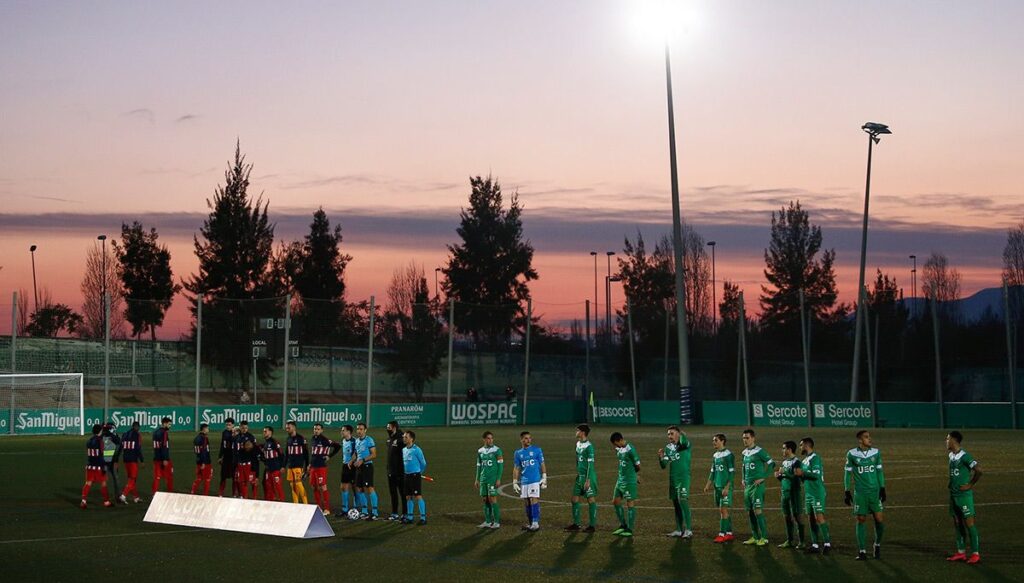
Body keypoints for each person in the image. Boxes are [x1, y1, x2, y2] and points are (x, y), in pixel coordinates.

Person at [845, 430, 886, 560]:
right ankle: (862, 551)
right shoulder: (852, 454)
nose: (870, 439)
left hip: (874, 492)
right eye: (866, 437)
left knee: (879, 519)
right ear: (860, 440)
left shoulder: (876, 453)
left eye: (869, 437)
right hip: (860, 493)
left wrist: (882, 488)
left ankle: (877, 544)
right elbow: (847, 473)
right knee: (861, 519)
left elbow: (879, 471)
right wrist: (847, 491)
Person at [946, 431, 981, 564]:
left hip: (964, 496)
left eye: (947, 439)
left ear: (954, 440)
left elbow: (979, 470)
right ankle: (961, 553)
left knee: (969, 524)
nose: (946, 441)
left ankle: (975, 554)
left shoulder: (965, 456)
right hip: (953, 495)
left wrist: (970, 484)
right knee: (957, 522)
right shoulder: (951, 455)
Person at [796, 436, 831, 554]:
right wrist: (799, 475)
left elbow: (816, 475)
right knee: (811, 518)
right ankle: (815, 545)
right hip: (808, 493)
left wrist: (803, 472)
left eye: (801, 445)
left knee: (819, 517)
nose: (800, 447)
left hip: (817, 492)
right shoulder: (803, 461)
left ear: (807, 445)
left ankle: (827, 544)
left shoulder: (815, 458)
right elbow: (804, 478)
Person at [740, 428, 774, 546]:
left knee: (757, 510)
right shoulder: (744, 453)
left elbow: (771, 463)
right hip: (747, 486)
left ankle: (764, 537)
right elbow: (743, 467)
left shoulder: (760, 451)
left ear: (753, 438)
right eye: (743, 438)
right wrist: (743, 478)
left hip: (757, 486)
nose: (745, 440)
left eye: (747, 438)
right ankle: (755, 536)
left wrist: (763, 477)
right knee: (750, 511)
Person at [659, 425, 692, 538]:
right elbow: (664, 465)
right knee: (676, 505)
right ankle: (678, 530)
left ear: (678, 434)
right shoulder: (668, 448)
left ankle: (688, 530)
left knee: (683, 501)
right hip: (673, 479)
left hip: (683, 478)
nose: (669, 436)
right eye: (668, 434)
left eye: (672, 433)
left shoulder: (685, 444)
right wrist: (661, 457)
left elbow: (683, 441)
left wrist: (681, 434)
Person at [565, 424, 597, 532]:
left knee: (590, 499)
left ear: (583, 432)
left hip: (588, 477)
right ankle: (576, 524)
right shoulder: (578, 444)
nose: (576, 432)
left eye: (578, 430)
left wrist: (588, 480)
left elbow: (590, 465)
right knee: (574, 499)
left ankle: (592, 526)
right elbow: (577, 459)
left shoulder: (589, 447)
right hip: (579, 477)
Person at [512, 430, 546, 532]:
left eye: (529, 438)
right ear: (521, 440)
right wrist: (515, 481)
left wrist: (544, 476)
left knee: (533, 499)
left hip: (535, 479)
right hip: (524, 481)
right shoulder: (518, 453)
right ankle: (531, 523)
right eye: (526, 438)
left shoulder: (537, 450)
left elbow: (542, 464)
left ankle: (536, 523)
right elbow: (516, 468)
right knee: (527, 502)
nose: (528, 440)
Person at [704, 433, 735, 543]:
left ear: (722, 441)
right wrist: (708, 484)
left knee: (723, 510)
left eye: (716, 440)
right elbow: (713, 471)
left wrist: (727, 487)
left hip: (725, 487)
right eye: (713, 440)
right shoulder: (715, 455)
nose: (714, 442)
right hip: (717, 487)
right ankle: (729, 533)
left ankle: (722, 534)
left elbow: (732, 473)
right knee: (722, 511)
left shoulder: (729, 455)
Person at [775, 441, 805, 549]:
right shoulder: (784, 462)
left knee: (797, 517)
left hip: (794, 493)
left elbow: (797, 478)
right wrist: (779, 476)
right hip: (785, 493)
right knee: (787, 516)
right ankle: (789, 540)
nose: (782, 450)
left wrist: (785, 473)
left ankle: (802, 542)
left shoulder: (796, 462)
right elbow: (785, 479)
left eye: (784, 448)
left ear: (789, 449)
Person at [610, 431, 640, 537]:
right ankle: (623, 525)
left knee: (630, 503)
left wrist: (635, 475)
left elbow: (638, 465)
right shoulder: (620, 449)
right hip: (620, 480)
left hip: (629, 481)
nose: (615, 446)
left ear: (620, 440)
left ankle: (630, 529)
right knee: (615, 501)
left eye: (615, 444)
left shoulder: (630, 449)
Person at [309, 422, 341, 514]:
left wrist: (329, 456)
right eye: (315, 429)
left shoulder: (325, 440)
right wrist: (310, 464)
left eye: (318, 429)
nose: (316, 431)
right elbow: (313, 453)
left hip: (321, 467)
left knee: (323, 486)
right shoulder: (313, 438)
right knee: (314, 487)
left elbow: (338, 446)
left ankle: (327, 509)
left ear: (322, 430)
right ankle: (318, 507)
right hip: (313, 467)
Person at [475, 430, 504, 529]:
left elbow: (500, 466)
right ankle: (487, 521)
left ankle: (496, 522)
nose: (491, 440)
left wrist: (498, 479)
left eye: (491, 438)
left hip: (492, 479)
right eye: (488, 438)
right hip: (483, 479)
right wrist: (477, 479)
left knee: (492, 499)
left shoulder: (497, 450)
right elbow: (479, 466)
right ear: (484, 439)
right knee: (485, 499)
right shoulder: (480, 451)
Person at [81, 424, 113, 509]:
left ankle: (83, 501)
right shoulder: (100, 441)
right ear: (100, 431)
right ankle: (106, 502)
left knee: (88, 483)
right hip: (98, 466)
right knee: (103, 483)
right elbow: (101, 454)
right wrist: (104, 466)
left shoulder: (89, 441)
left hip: (90, 466)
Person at [354, 422, 379, 519]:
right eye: (358, 429)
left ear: (365, 430)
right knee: (359, 488)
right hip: (359, 467)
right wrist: (352, 461)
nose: (359, 431)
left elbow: (374, 454)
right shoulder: (357, 441)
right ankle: (364, 511)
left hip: (367, 466)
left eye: (361, 429)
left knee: (369, 488)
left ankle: (375, 512)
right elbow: (356, 453)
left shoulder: (369, 440)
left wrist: (362, 460)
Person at [402, 430, 427, 524]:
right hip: (406, 475)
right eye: (404, 437)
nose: (404, 439)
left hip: (415, 476)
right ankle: (410, 517)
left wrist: (419, 473)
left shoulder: (417, 450)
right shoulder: (403, 450)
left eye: (406, 437)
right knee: (408, 496)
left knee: (418, 496)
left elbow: (423, 463)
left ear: (411, 439)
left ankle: (423, 518)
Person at [118, 421, 144, 504]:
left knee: (131, 479)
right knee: (132, 479)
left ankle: (136, 497)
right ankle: (123, 495)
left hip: (126, 459)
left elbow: (120, 447)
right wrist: (142, 460)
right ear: (137, 427)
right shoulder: (137, 435)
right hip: (133, 460)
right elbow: (138, 448)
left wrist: (117, 458)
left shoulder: (124, 434)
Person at [384, 420, 405, 520]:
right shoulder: (389, 439)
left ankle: (405, 513)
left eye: (389, 427)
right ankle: (394, 513)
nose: (387, 429)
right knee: (393, 493)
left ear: (394, 427)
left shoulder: (401, 439)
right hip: (391, 471)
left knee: (403, 493)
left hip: (400, 472)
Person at [284, 421, 309, 504]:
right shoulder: (288, 439)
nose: (287, 429)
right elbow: (287, 453)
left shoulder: (301, 439)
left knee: (298, 483)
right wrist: (284, 465)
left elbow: (306, 453)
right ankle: (296, 504)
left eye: (289, 428)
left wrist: (307, 466)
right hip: (290, 466)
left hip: (298, 465)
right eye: (286, 428)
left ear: (294, 427)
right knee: (292, 485)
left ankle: (306, 504)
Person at [234, 421, 258, 499]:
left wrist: (249, 449)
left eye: (246, 428)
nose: (244, 429)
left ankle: (254, 498)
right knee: (242, 482)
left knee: (252, 481)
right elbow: (235, 451)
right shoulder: (237, 437)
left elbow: (254, 450)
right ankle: (245, 497)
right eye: (243, 428)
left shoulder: (251, 437)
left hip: (248, 463)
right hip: (240, 463)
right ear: (240, 427)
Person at [260, 426, 284, 501]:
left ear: (270, 432)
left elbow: (282, 455)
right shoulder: (265, 443)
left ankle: (282, 503)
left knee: (278, 487)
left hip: (275, 469)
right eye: (263, 431)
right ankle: (271, 502)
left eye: (265, 431)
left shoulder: (274, 442)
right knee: (269, 487)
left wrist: (282, 466)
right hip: (268, 470)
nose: (264, 433)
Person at [152, 416, 174, 493]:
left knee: (157, 477)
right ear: (164, 424)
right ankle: (170, 493)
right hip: (163, 459)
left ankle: (154, 494)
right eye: (169, 424)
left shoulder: (155, 432)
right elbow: (164, 446)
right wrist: (165, 458)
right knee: (169, 476)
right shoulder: (164, 433)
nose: (170, 426)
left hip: (156, 458)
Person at [101, 422, 122, 500]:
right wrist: (116, 459)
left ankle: (106, 498)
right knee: (115, 478)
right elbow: (120, 446)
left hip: (105, 461)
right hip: (112, 461)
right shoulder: (113, 437)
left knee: (104, 480)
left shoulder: (101, 437)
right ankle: (117, 496)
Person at [191, 423, 212, 495]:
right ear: (204, 429)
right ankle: (205, 494)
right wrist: (203, 462)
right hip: (205, 462)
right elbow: (204, 451)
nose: (208, 430)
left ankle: (193, 491)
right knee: (207, 479)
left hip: (198, 461)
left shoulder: (196, 438)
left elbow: (197, 451)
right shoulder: (204, 438)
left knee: (199, 478)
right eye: (207, 428)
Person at [339, 425, 357, 515]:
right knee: (343, 487)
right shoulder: (343, 441)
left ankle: (356, 508)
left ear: (349, 432)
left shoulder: (354, 441)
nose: (341, 432)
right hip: (345, 466)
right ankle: (344, 509)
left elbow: (357, 453)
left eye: (343, 430)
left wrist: (351, 461)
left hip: (353, 466)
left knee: (355, 487)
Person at [217, 418, 236, 497]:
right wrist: (220, 456)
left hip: (233, 458)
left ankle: (234, 494)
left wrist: (234, 434)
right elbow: (222, 444)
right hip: (226, 457)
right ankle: (221, 493)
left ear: (233, 425)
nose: (228, 426)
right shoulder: (224, 433)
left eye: (229, 425)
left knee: (234, 477)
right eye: (227, 425)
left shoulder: (236, 433)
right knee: (223, 476)